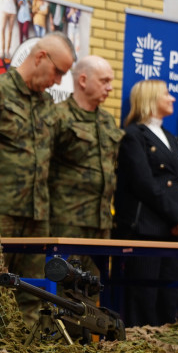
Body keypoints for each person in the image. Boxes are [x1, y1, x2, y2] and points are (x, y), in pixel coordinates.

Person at [0, 31, 76, 286]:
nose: (57, 82)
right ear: (41, 57)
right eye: (57, 72)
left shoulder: (46, 104)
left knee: (33, 291)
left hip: (36, 218)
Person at [113, 80, 178, 327]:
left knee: (168, 300)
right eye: (167, 94)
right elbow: (144, 184)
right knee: (143, 299)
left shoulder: (170, 138)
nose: (172, 99)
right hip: (146, 231)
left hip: (173, 232)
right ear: (150, 99)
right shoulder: (133, 136)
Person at [48, 55, 122, 244]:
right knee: (63, 274)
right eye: (104, 81)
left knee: (96, 275)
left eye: (110, 82)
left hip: (102, 223)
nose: (110, 88)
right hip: (66, 222)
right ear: (83, 80)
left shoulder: (107, 121)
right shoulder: (57, 115)